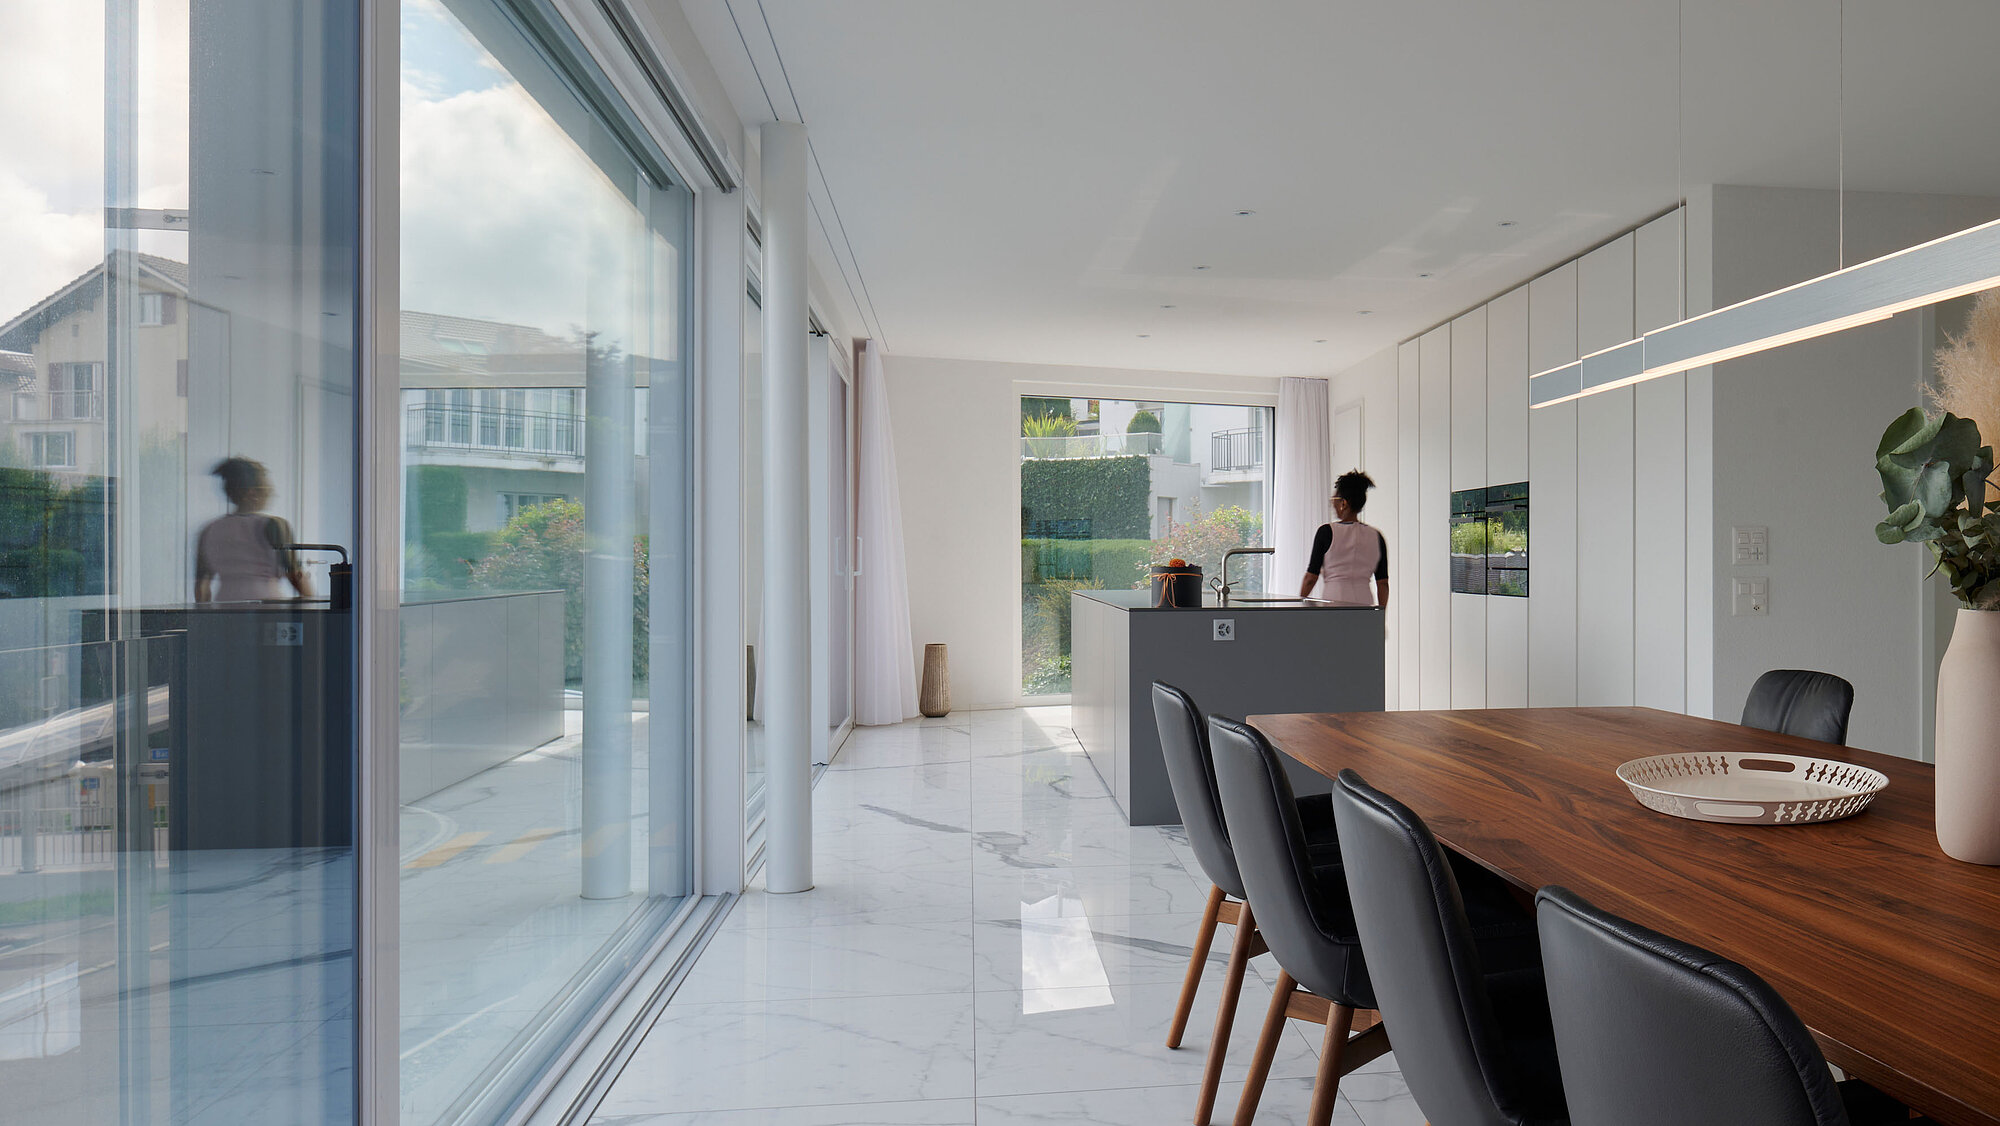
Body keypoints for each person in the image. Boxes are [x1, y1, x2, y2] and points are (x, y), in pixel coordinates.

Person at [195, 457, 311, 602]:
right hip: (266, 608)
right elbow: (296, 576)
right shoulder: (274, 525)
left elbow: (201, 586)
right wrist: (320, 615)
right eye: (267, 489)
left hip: (224, 608)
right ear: (251, 493)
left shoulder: (208, 530)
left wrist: (205, 619)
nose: (271, 494)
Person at [1299, 469, 1389, 609]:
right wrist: (1381, 614)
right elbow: (1382, 583)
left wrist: (1300, 604)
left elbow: (1311, 578)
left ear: (1344, 503)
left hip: (1334, 601)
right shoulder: (1377, 536)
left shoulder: (1326, 532)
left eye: (1334, 500)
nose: (1332, 504)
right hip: (1365, 602)